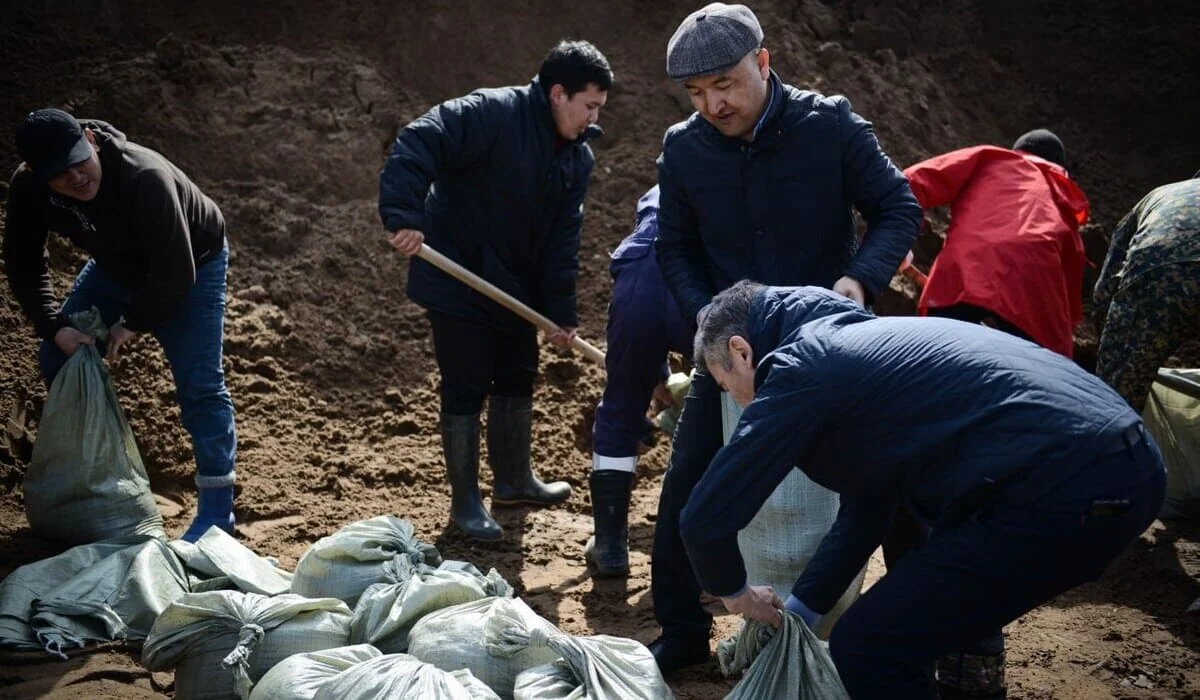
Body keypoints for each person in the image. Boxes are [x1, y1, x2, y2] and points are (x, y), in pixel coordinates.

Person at [683, 281, 1165, 700]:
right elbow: (869, 507)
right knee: (934, 602)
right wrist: (801, 614)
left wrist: (737, 595)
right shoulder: (854, 341)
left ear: (742, 351)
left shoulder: (804, 366)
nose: (736, 400)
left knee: (871, 647)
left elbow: (704, 519)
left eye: (726, 384)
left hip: (1068, 484)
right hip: (1125, 463)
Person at [648, 2, 922, 671]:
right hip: (733, 354)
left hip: (832, 353)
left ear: (764, 63)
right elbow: (674, 248)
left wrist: (859, 281)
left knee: (894, 490)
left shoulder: (829, 127)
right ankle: (683, 632)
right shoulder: (685, 151)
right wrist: (705, 316)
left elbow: (897, 208)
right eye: (697, 93)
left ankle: (920, 633)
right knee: (689, 483)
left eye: (726, 85)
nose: (713, 104)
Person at [379, 40, 612, 541]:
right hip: (458, 275)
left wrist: (560, 311)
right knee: (466, 384)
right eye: (589, 106)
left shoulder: (577, 159)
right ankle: (466, 502)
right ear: (558, 94)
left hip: (515, 287)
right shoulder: (492, 113)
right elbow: (422, 139)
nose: (593, 118)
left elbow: (562, 239)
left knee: (517, 374)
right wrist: (403, 213)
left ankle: (512, 481)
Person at [4, 108, 237, 543]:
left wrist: (130, 324)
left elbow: (175, 272)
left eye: (79, 161)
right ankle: (97, 483)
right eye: (59, 173)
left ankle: (217, 516)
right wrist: (55, 326)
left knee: (200, 385)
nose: (75, 178)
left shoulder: (143, 176)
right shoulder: (28, 190)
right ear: (35, 172)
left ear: (91, 138)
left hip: (192, 262)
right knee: (58, 356)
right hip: (115, 266)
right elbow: (21, 263)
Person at [904, 129, 1090, 356]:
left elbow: (912, 182)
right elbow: (1070, 292)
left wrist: (898, 236)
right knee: (1033, 382)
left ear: (1018, 151)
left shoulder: (991, 159)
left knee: (932, 360)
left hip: (963, 280)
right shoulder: (1063, 200)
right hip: (1032, 307)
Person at [587, 185, 693, 577]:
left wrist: (657, 373)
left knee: (619, 410)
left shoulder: (657, 190)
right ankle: (696, 543)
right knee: (719, 406)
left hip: (637, 288)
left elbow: (650, 283)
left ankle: (611, 547)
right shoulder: (734, 176)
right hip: (698, 290)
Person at [1094, 176, 1200, 412]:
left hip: (1155, 284)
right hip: (1156, 280)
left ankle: (1107, 443)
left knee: (1114, 402)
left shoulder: (1161, 193)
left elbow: (1105, 287)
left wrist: (1113, 348)